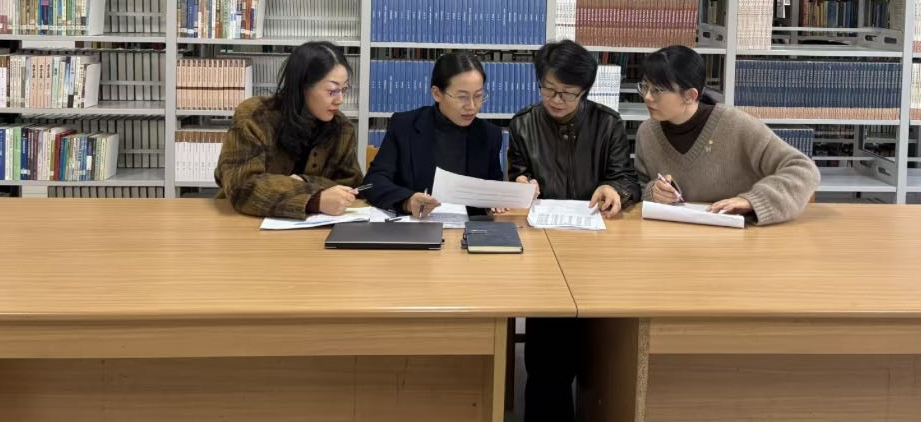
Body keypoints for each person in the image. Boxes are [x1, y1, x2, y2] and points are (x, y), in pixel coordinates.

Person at [507, 39, 640, 422]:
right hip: (543, 248)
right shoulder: (523, 124)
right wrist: (521, 184)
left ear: (585, 91)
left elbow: (626, 178)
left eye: (567, 93)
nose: (556, 99)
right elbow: (517, 175)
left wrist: (614, 190)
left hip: (597, 248)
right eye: (548, 89)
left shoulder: (607, 124)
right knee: (549, 352)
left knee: (603, 349)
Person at [635, 45, 820, 224]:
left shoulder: (736, 125)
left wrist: (752, 201)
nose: (647, 97)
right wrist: (654, 192)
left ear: (690, 96)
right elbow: (641, 187)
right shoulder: (647, 132)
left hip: (742, 234)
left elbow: (804, 170)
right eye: (645, 87)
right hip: (675, 233)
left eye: (657, 90)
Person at [215, 41, 361, 218]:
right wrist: (314, 199)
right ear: (302, 87)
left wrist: (306, 181)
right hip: (243, 221)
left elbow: (351, 186)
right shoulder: (254, 116)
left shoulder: (342, 128)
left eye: (344, 89)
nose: (340, 100)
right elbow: (242, 186)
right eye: (332, 91)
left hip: (316, 227)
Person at [364, 52, 505, 217]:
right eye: (462, 97)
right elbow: (373, 182)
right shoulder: (405, 126)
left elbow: (494, 187)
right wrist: (407, 201)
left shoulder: (489, 135)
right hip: (417, 225)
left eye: (478, 96)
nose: (472, 106)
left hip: (469, 227)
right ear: (437, 94)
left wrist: (498, 200)